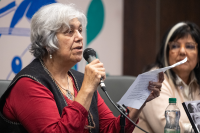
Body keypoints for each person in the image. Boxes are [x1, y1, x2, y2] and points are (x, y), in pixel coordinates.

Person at [0, 3, 164, 133]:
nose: (79, 37)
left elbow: (110, 130)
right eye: (69, 32)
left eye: (79, 30)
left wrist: (140, 99)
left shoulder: (79, 80)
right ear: (46, 42)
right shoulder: (29, 84)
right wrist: (87, 89)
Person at [133, 21, 200, 133]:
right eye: (175, 46)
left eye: (189, 46)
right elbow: (167, 128)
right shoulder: (153, 79)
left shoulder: (196, 82)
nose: (182, 51)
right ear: (166, 51)